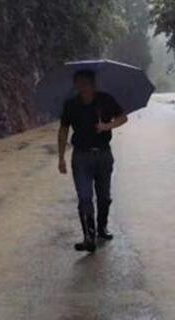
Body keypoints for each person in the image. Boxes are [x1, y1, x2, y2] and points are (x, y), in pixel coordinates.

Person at [58, 70, 128, 253]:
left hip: (104, 155)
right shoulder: (71, 105)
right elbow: (63, 130)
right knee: (84, 197)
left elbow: (123, 117)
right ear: (76, 84)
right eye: (79, 83)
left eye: (86, 83)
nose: (83, 87)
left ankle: (102, 228)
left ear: (93, 84)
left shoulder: (105, 100)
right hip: (81, 157)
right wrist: (61, 158)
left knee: (104, 196)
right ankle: (88, 237)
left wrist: (107, 126)